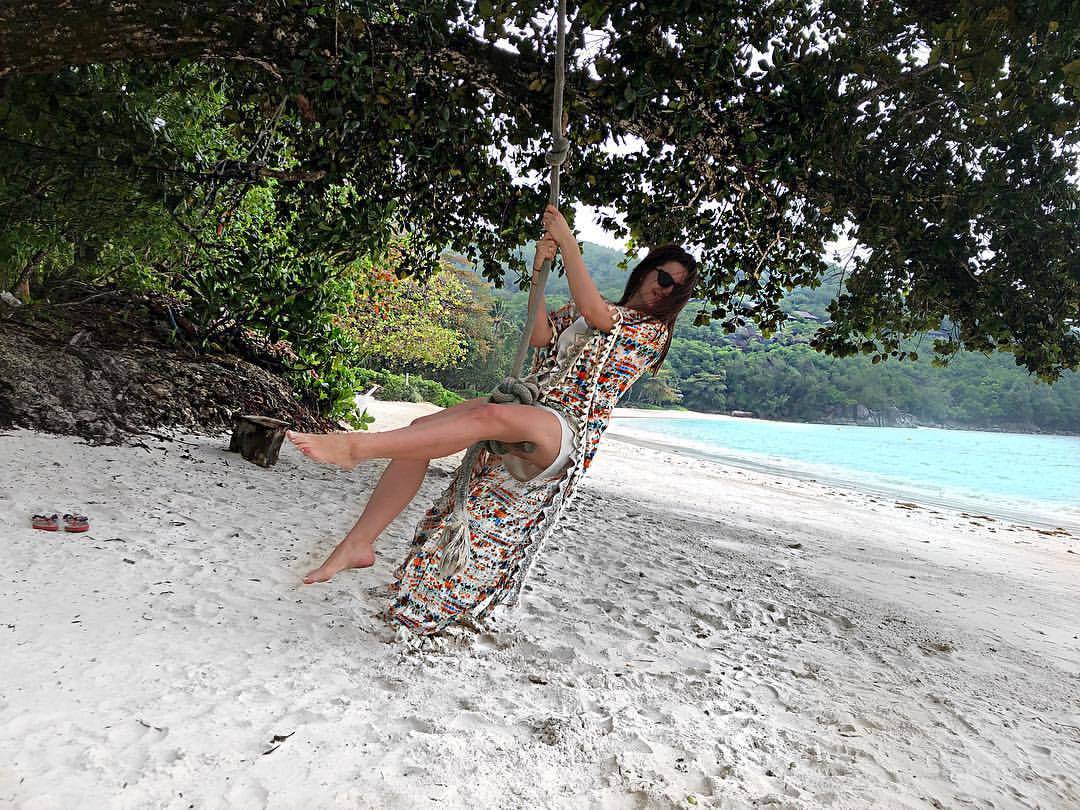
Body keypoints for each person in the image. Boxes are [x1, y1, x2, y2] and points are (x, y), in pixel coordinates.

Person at [287, 205, 698, 634]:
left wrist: (569, 244)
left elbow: (599, 317)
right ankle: (359, 542)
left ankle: (355, 447)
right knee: (420, 432)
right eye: (663, 278)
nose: (665, 291)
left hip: (568, 427)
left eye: (676, 289)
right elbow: (540, 336)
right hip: (534, 406)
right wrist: (539, 275)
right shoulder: (597, 308)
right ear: (646, 272)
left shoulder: (651, 332)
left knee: (487, 415)